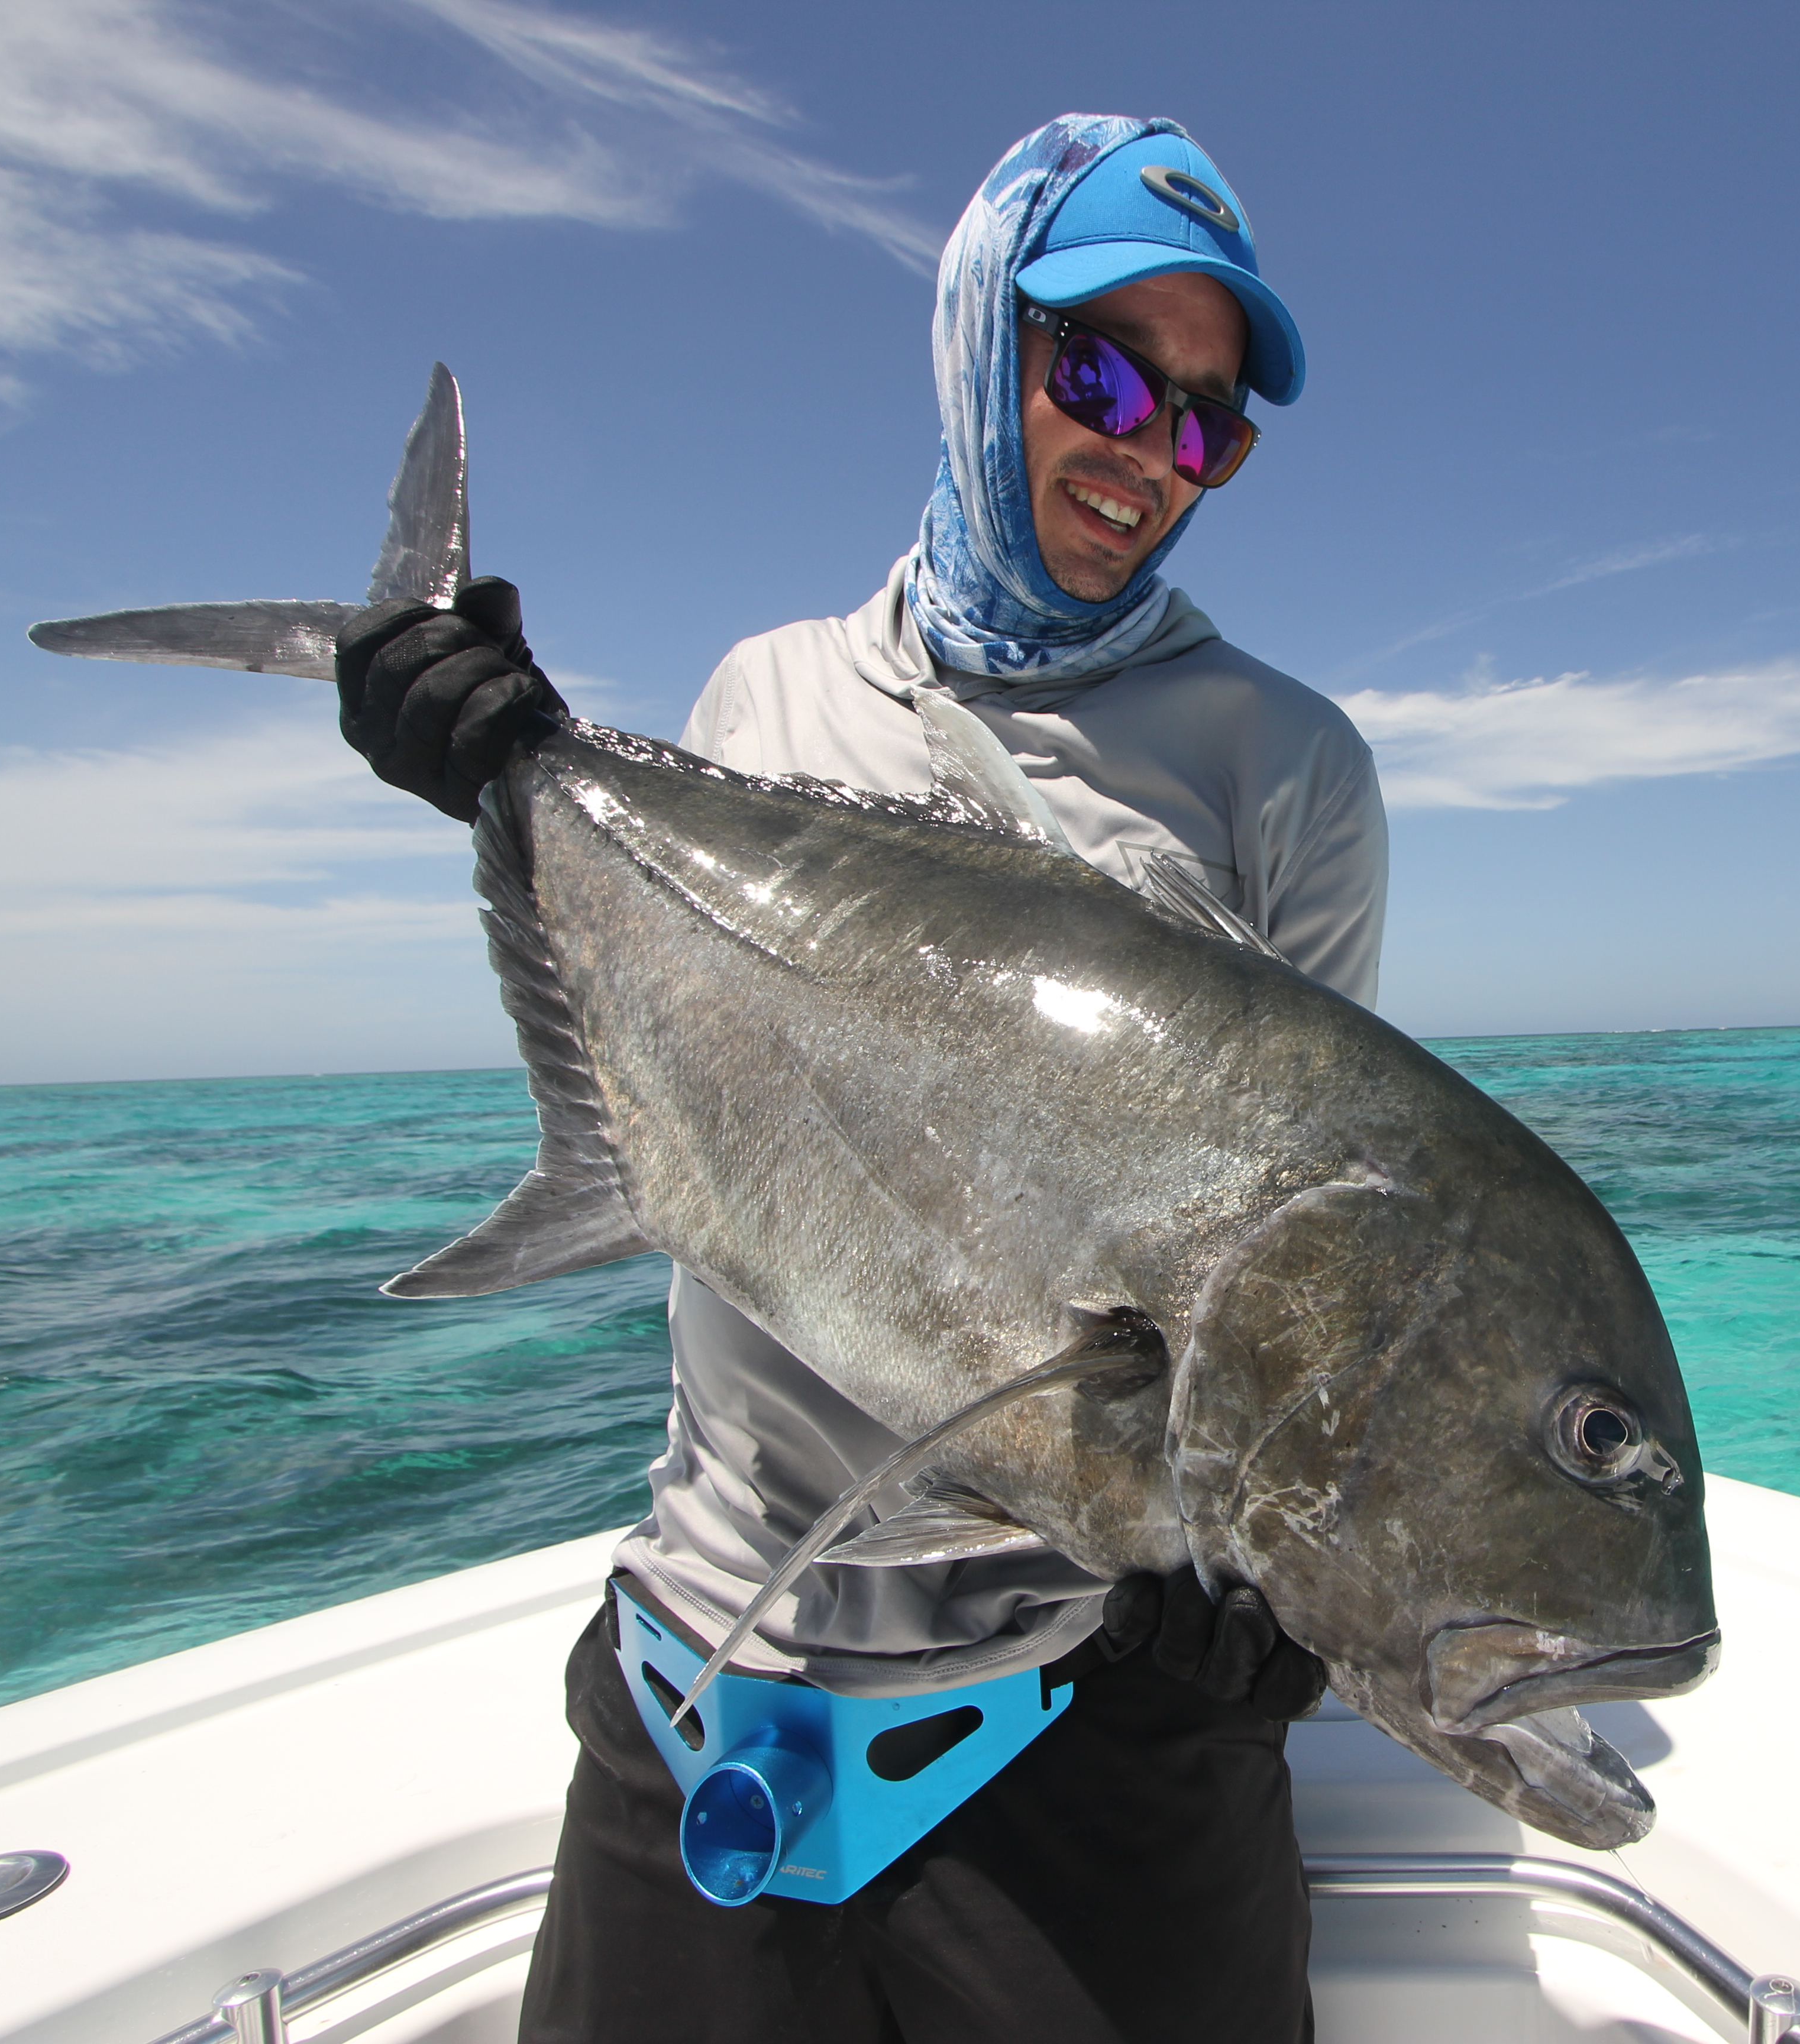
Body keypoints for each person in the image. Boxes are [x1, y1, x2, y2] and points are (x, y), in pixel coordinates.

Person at [331, 115, 1385, 2044]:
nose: (1150, 455)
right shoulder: (768, 702)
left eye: (1207, 424)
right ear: (981, 344)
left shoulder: (1284, 769)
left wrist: (1243, 1578)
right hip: (717, 1650)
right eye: (1101, 374)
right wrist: (490, 762)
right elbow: (688, 1098)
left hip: (1101, 1706)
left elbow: (1304, 1238)